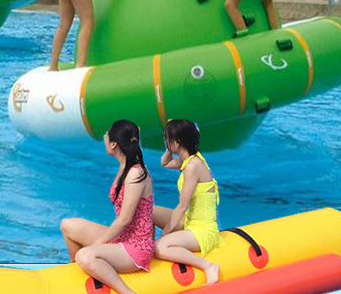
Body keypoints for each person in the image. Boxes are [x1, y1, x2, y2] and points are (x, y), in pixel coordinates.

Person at [60, 120, 154, 294]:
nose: (104, 139)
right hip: (122, 238)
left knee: (85, 255)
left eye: (106, 136)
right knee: (67, 225)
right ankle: (73, 272)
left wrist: (97, 245)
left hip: (135, 248)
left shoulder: (135, 173)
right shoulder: (125, 166)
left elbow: (124, 220)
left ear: (114, 144)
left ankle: (126, 292)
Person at [153, 120, 222, 286]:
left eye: (167, 138)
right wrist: (170, 148)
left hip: (203, 230)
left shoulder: (193, 166)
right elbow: (165, 162)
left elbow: (182, 207)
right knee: (150, 211)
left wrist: (163, 235)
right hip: (190, 222)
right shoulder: (187, 160)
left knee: (160, 247)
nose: (165, 141)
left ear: (177, 142)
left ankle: (208, 266)